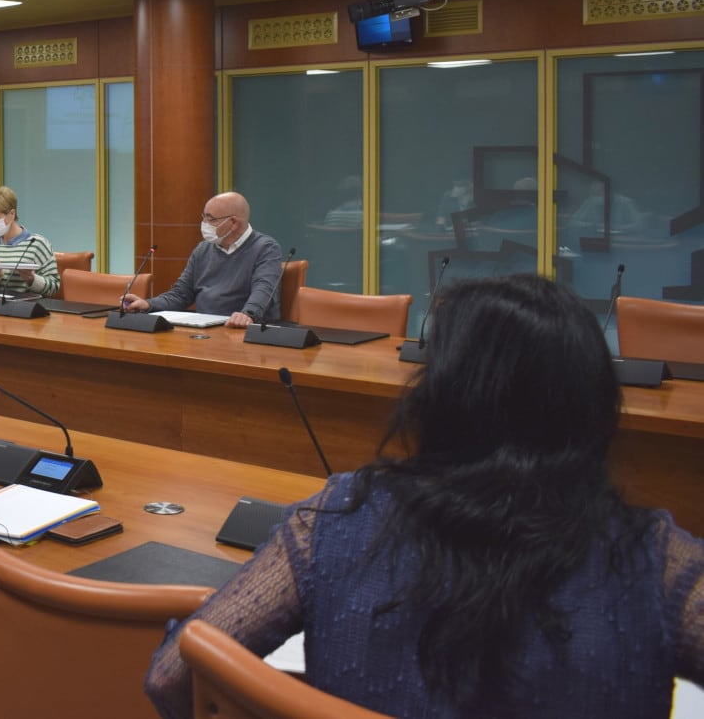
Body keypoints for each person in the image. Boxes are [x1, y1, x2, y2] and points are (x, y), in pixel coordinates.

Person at [144, 274, 704, 718]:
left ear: (440, 396)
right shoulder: (652, 561)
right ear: (593, 405)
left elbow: (174, 675)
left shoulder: (339, 520)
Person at [122, 191, 281, 327]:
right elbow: (181, 294)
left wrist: (248, 314)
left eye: (210, 219)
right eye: (203, 217)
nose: (204, 224)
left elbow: (264, 289)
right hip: (204, 329)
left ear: (233, 223)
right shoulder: (203, 249)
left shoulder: (265, 248)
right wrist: (148, 304)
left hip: (241, 330)